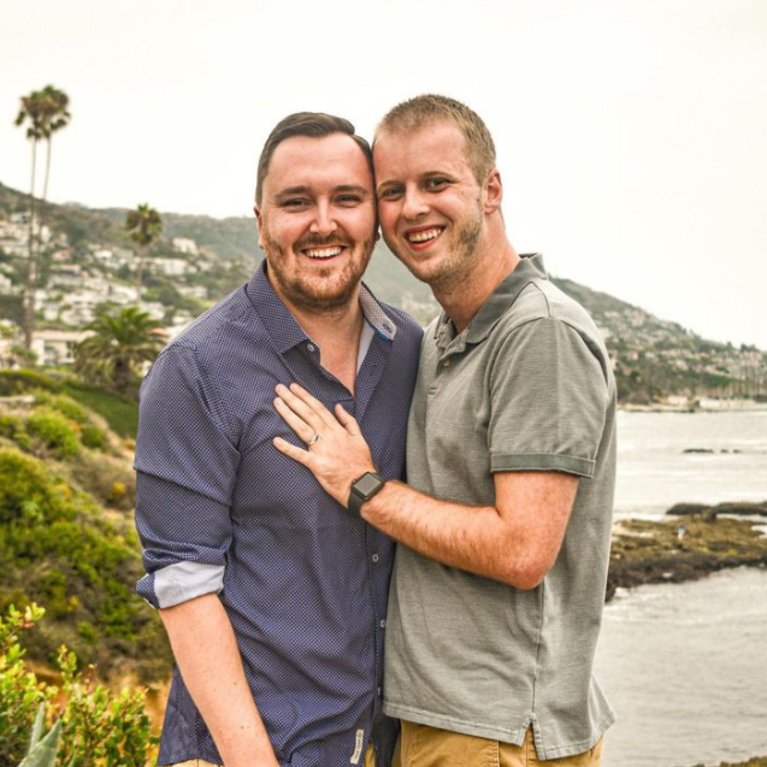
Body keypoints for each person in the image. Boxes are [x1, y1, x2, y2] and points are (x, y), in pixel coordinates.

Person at [273, 95, 617, 766]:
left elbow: (521, 549)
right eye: (391, 191)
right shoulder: (440, 337)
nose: (411, 209)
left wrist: (361, 485)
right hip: (445, 721)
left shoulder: (538, 332)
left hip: (495, 731)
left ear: (490, 190)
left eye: (435, 183)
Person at [134, 112, 422, 767]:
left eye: (346, 199)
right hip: (247, 751)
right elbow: (185, 586)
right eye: (296, 202)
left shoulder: (409, 352)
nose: (323, 222)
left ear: (373, 217)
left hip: (382, 744)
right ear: (260, 221)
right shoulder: (196, 368)